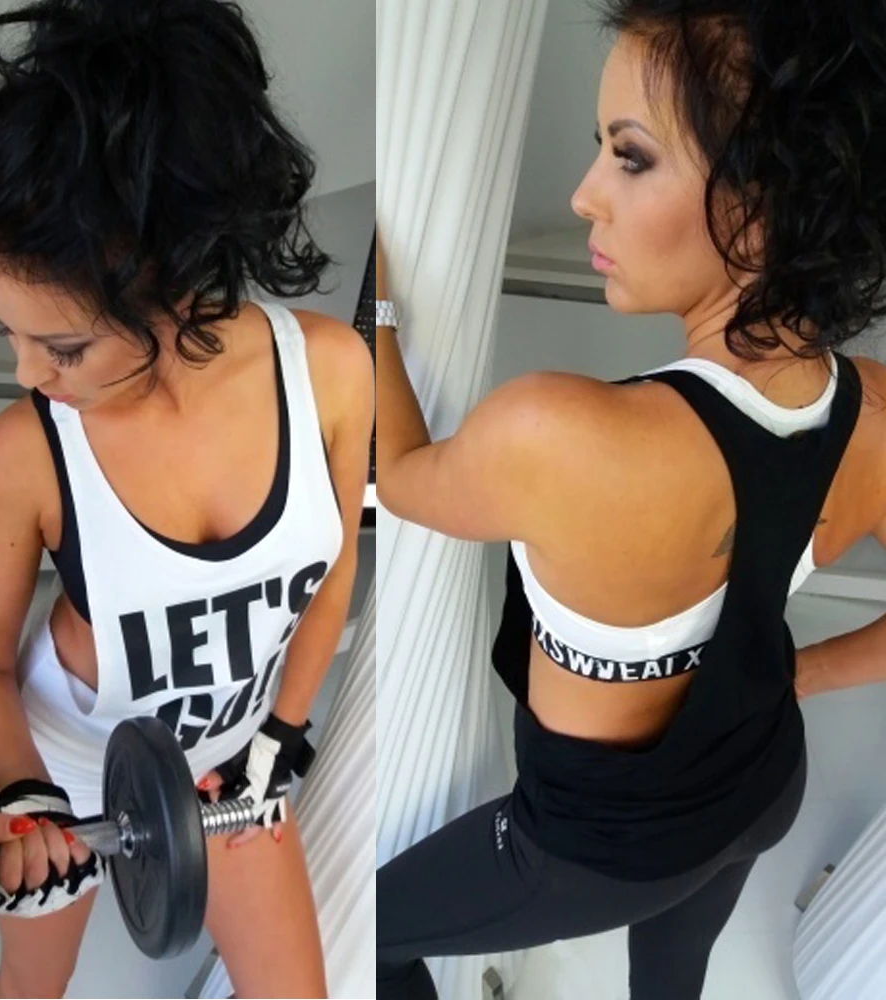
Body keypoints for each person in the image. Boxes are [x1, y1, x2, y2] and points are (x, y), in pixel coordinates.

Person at [375, 0, 886, 996]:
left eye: (630, 157)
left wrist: (380, 312)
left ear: (760, 206)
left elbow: (398, 477)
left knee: (373, 929)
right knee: (673, 972)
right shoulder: (871, 407)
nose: (583, 196)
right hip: (760, 785)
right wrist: (800, 674)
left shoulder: (560, 436)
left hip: (584, 853)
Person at [0, 1, 374, 997]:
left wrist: (278, 737)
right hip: (67, 766)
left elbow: (335, 571)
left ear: (170, 275)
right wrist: (24, 793)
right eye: (8, 334)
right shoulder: (20, 457)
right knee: (28, 990)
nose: (25, 375)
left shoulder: (332, 376)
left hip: (226, 763)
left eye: (62, 347)